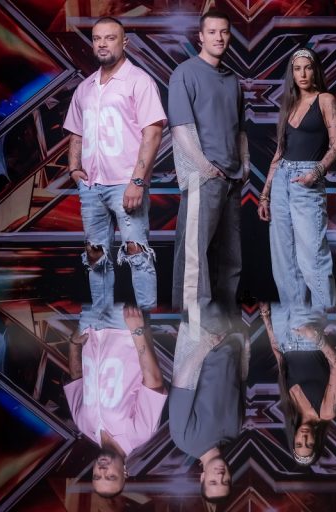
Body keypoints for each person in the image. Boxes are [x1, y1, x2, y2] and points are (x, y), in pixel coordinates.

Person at [64, 17, 166, 309]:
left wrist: (137, 181)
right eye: (97, 38)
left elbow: (153, 133)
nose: (102, 44)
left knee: (136, 251)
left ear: (124, 42)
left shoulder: (139, 81)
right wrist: (74, 169)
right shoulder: (85, 87)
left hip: (126, 183)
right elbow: (76, 131)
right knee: (95, 254)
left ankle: (146, 317)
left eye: (110, 38)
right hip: (91, 186)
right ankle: (102, 318)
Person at [168, 10, 250, 311]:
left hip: (231, 178)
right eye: (212, 32)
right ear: (200, 37)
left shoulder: (232, 79)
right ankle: (195, 322)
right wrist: (204, 167)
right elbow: (180, 128)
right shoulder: (185, 73)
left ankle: (225, 319)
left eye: (224, 32)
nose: (219, 37)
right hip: (203, 177)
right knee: (195, 253)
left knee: (230, 256)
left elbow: (239, 129)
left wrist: (244, 164)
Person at [258, 48, 336, 309]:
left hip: (307, 178)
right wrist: (265, 195)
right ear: (292, 74)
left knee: (312, 255)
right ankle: (297, 322)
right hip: (282, 180)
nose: (303, 74)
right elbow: (279, 153)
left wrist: (315, 173)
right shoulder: (289, 105)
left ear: (315, 70)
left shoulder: (325, 99)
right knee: (283, 258)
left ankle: (323, 320)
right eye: (297, 69)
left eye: (307, 67)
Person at [65, 303, 168, 497]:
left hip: (90, 326)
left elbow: (77, 378)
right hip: (124, 327)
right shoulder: (140, 433)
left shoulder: (84, 425)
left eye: (97, 476)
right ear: (125, 472)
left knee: (88, 283)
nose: (102, 471)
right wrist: (137, 330)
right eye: (111, 477)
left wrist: (73, 344)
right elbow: (153, 380)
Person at [168, 302, 248, 504]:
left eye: (213, 482)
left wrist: (205, 344)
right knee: (230, 281)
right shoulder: (235, 432)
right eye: (225, 481)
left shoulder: (185, 440)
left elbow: (181, 383)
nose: (220, 476)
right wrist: (244, 345)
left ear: (202, 477)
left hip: (204, 331)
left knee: (200, 283)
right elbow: (240, 380)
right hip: (233, 332)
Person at [260, 302, 336, 466]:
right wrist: (317, 339)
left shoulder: (290, 407)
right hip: (308, 338)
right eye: (309, 444)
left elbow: (279, 357)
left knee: (278, 289)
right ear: (317, 442)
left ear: (294, 439)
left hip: (283, 336)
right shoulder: (327, 412)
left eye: (299, 444)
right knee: (298, 289)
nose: (304, 438)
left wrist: (266, 319)